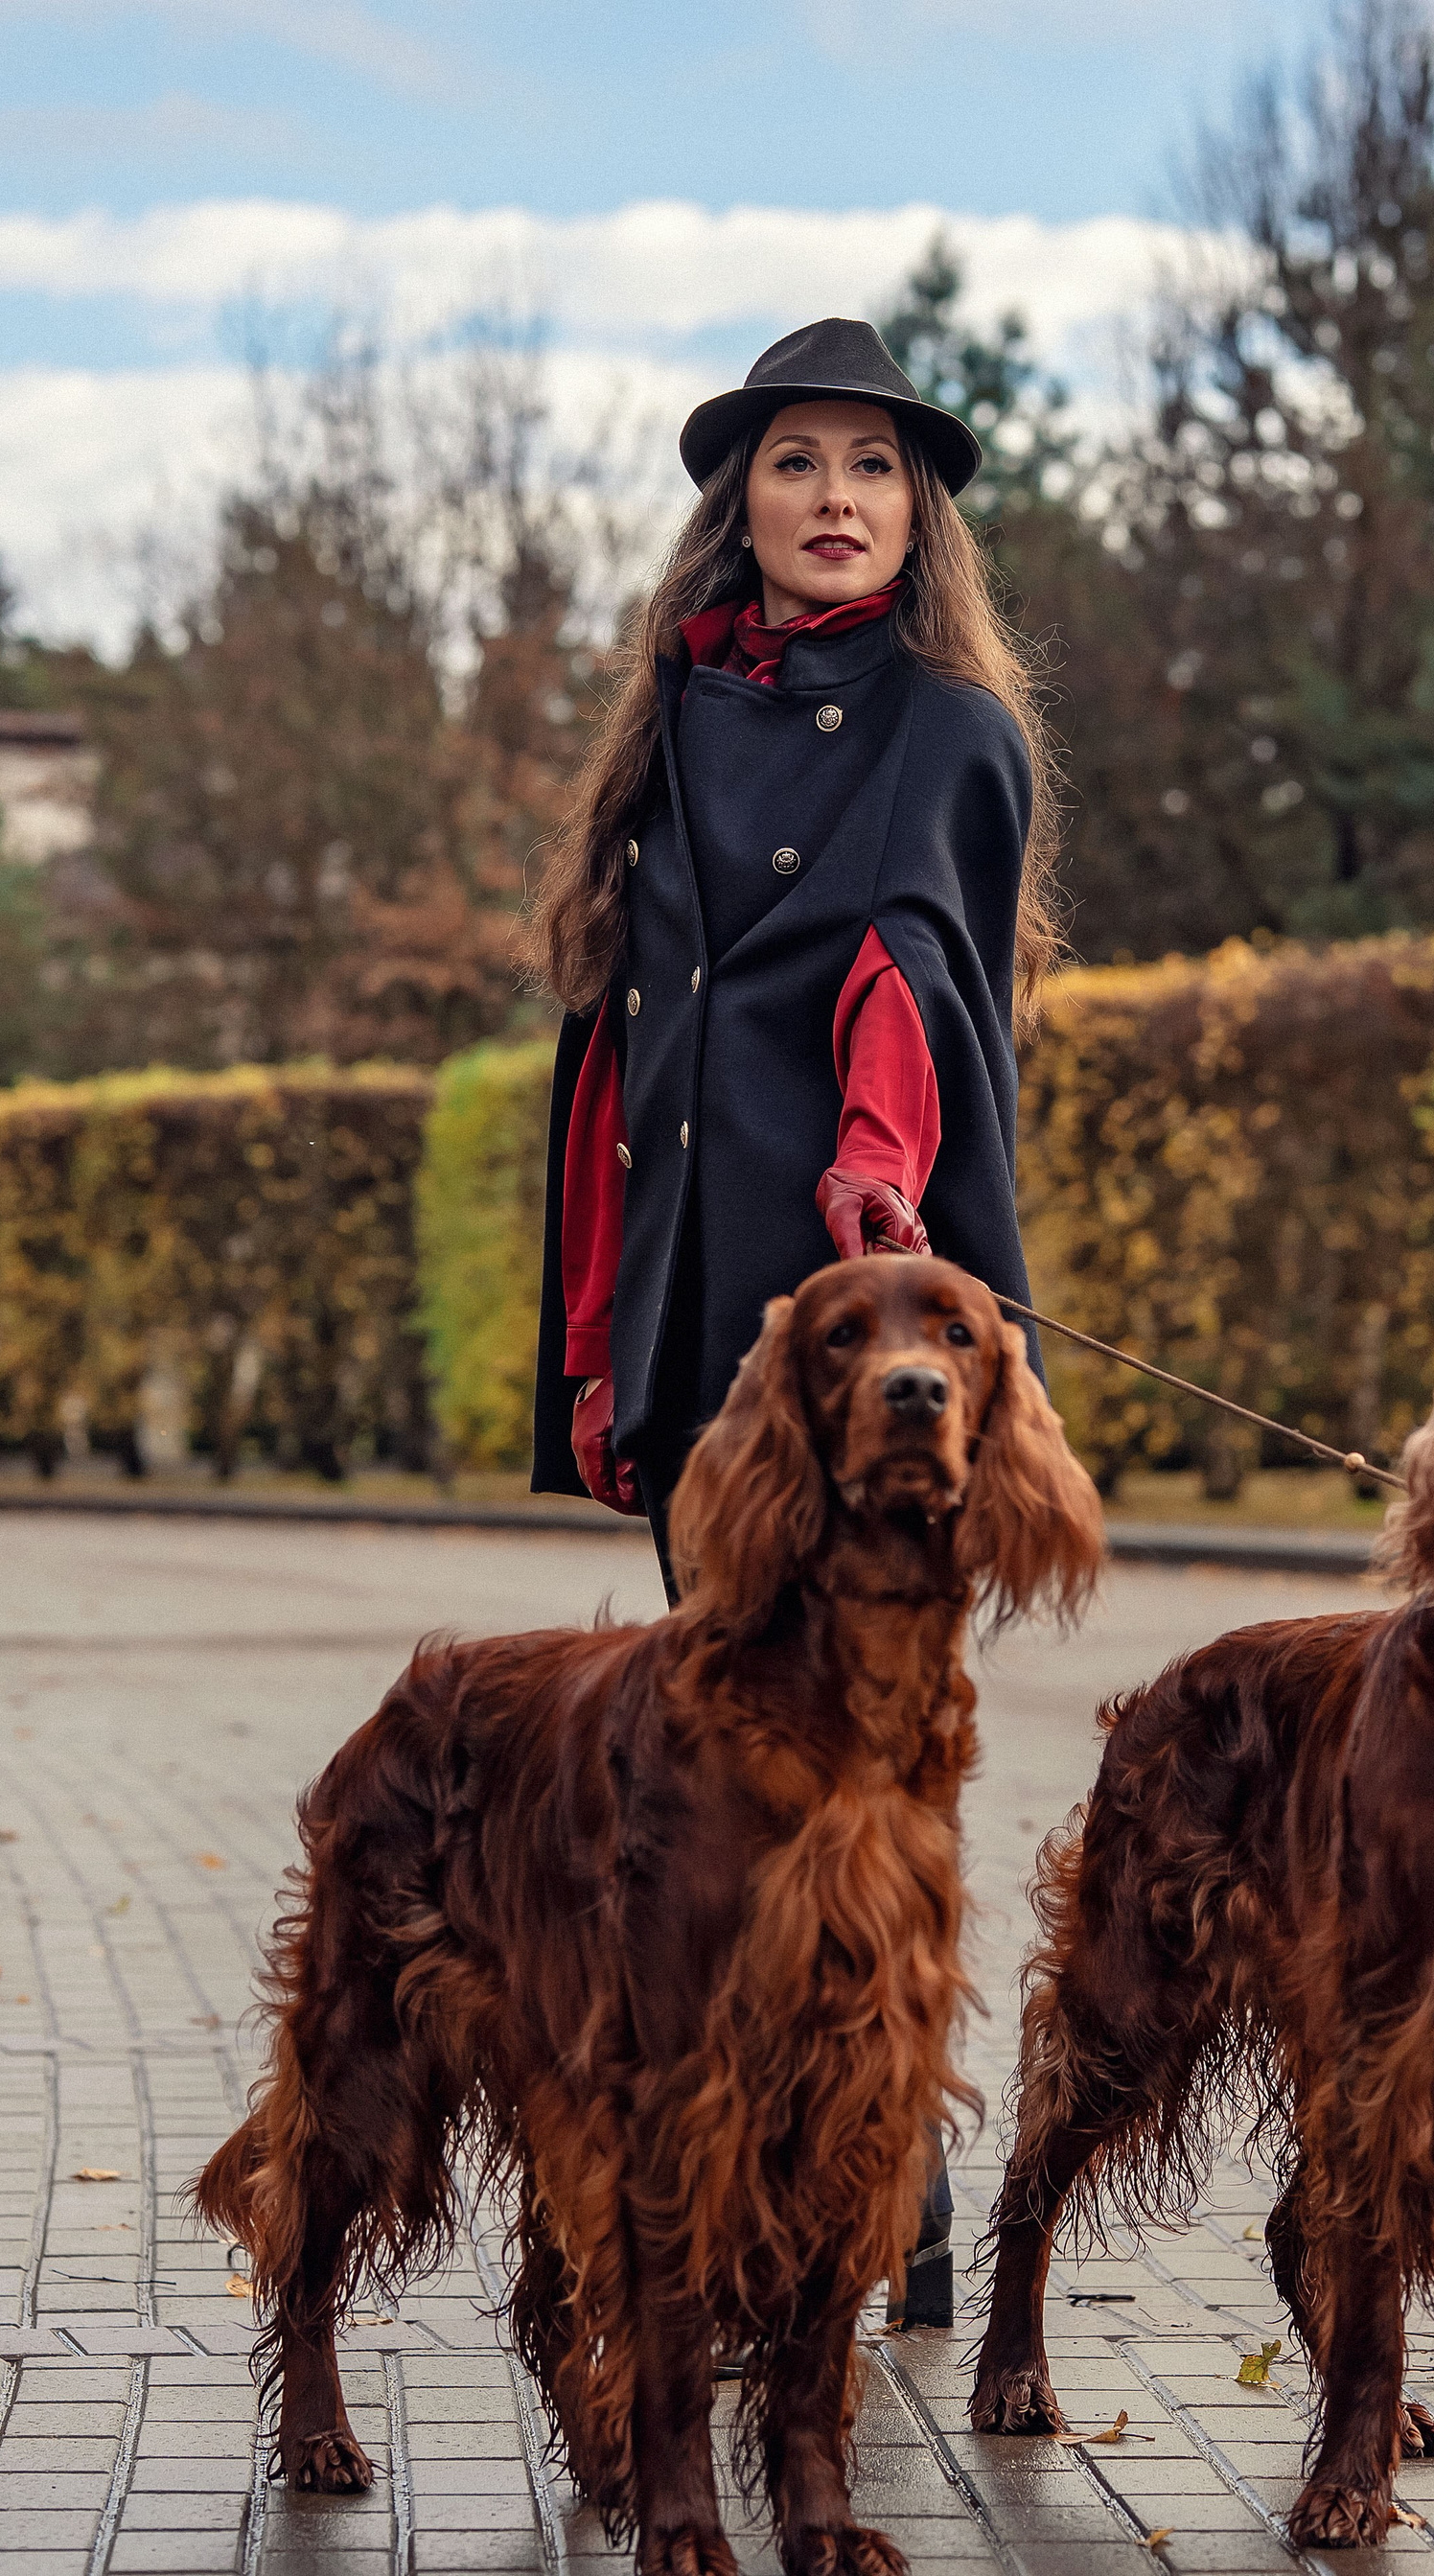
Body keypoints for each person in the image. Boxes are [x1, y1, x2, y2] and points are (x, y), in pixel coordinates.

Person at [524, 315, 1067, 2324]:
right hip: (703, 1338)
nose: (838, 498)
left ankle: (884, 2197)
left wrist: (873, 1168)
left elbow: (913, 964)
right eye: (797, 462)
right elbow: (620, 1060)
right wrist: (604, 1336)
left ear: (919, 512)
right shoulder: (669, 722)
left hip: (876, 1335)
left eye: (873, 465)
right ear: (735, 504)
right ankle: (747, 2177)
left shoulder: (951, 728)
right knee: (724, 1775)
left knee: (872, 1776)